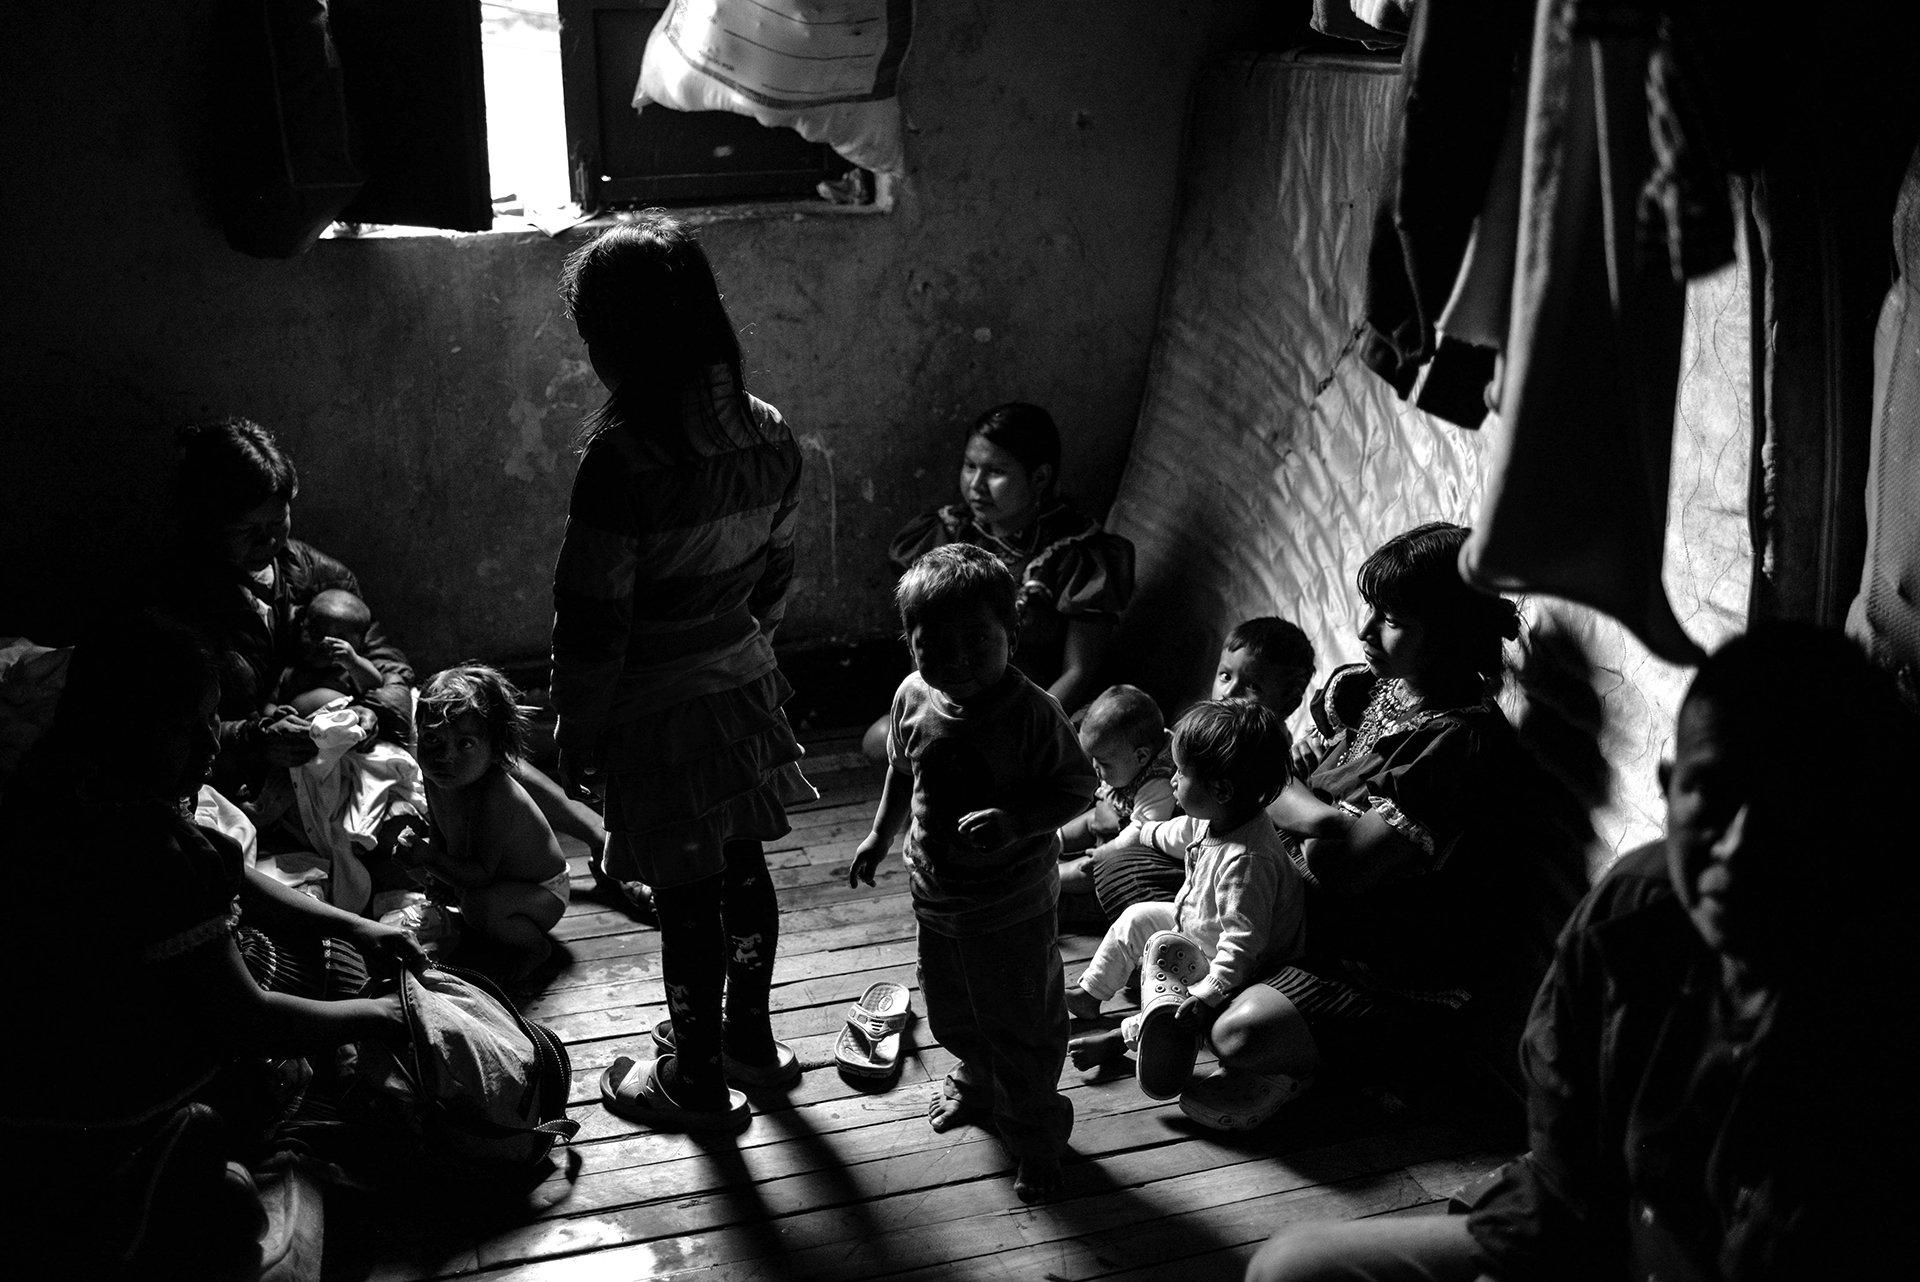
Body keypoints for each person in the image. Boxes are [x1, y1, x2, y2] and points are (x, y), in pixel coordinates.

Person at [1243, 622, 1919, 1282]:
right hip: (1596, 1235)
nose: (1738, 849)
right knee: (1289, 1264)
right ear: (1671, 784)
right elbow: (1567, 1169)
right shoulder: (1635, 914)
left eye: (1789, 811)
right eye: (1712, 796)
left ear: (1860, 818)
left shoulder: (1870, 1012)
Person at [0, 612, 420, 1278]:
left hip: (48, 1076)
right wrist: (385, 1017)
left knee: (328, 950)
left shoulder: (66, 777)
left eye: (211, 723)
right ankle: (228, 1157)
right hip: (107, 1100)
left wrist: (355, 924)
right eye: (186, 728)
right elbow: (246, 1018)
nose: (208, 746)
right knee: (302, 1040)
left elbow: (231, 871)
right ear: (125, 727)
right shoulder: (141, 845)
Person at [553, 213, 815, 1132]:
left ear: (619, 343)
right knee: (742, 867)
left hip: (655, 711)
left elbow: (595, 624)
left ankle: (696, 1081)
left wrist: (578, 726)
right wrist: (741, 658)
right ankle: (750, 1038)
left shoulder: (620, 464)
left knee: (685, 894)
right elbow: (775, 586)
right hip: (740, 689)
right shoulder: (771, 435)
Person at [169, 416, 633, 910]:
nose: (269, 542)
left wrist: (372, 709)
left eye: (277, 521)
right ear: (208, 524)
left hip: (357, 721)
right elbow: (185, 724)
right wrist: (258, 737)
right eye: (247, 530)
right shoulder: (183, 603)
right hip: (288, 763)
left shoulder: (317, 573)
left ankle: (603, 843)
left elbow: (391, 665)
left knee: (459, 722)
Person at [1180, 523, 1550, 1131]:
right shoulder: (1367, 690)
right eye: (1372, 610)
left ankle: (1357, 1068)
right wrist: (1305, 810)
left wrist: (1269, 791)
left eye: (1393, 618)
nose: (1364, 631)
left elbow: (1341, 866)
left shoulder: (1459, 747)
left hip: (1374, 966)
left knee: (1237, 1034)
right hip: (1296, 912)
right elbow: (1287, 784)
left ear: (1450, 632)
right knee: (1134, 876)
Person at [848, 543, 1098, 1201]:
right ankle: (978, 1077)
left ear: (1012, 635)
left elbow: (1078, 790)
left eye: (976, 640)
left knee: (1022, 1020)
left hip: (1013, 905)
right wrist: (880, 834)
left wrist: (1018, 820)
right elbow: (904, 771)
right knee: (954, 1011)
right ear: (908, 643)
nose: (955, 656)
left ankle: (1038, 1133)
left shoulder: (1033, 714)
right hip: (938, 895)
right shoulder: (912, 696)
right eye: (935, 642)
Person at [861, 402, 1135, 760]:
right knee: (879, 742)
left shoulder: (1076, 554)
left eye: (995, 472)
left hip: (1037, 709)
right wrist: (936, 708)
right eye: (970, 466)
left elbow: (1080, 670)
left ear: (1039, 477)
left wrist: (1017, 725)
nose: (976, 485)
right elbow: (926, 639)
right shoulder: (950, 534)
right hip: (959, 698)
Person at [1065, 700, 1304, 1103]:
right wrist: (1142, 834)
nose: (1173, 781)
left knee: (1177, 1003)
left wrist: (1209, 992)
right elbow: (1174, 833)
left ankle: (1120, 1038)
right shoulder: (1214, 815)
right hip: (1196, 923)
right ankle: (1092, 993)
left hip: (1240, 963)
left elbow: (1242, 944)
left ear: (1221, 789)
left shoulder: (1248, 859)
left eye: (1180, 773)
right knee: (1137, 917)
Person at [1085, 616, 1315, 921]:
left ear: (1289, 701)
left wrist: (1124, 825)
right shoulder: (1204, 728)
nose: (1229, 693)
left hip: (1190, 853)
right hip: (1151, 822)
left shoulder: (1266, 758)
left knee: (1104, 870)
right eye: (1224, 676)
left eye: (1253, 686)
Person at [397, 665, 570, 976]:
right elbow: (441, 837)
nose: (444, 757)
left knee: (481, 907)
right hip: (499, 881)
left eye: (465, 744)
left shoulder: (494, 795)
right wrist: (429, 867)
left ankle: (536, 949)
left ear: (495, 749)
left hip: (543, 892)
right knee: (447, 889)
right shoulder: (438, 776)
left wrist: (429, 858)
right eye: (432, 739)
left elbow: (480, 876)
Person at [1056, 683, 1176, 896]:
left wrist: (1105, 852)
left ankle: (1052, 877)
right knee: (1089, 819)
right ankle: (1053, 839)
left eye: (1103, 763)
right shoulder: (1132, 755)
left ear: (1141, 757)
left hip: (1137, 848)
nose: (1094, 767)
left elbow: (1142, 833)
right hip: (1121, 814)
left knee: (1096, 868)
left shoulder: (1160, 782)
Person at [279, 587, 383, 715]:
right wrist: (275, 713)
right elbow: (268, 704)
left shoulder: (349, 670)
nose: (325, 643)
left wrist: (354, 661)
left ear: (359, 643)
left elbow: (375, 685)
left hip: (342, 730)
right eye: (317, 633)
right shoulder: (290, 670)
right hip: (296, 730)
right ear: (301, 628)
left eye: (340, 639)